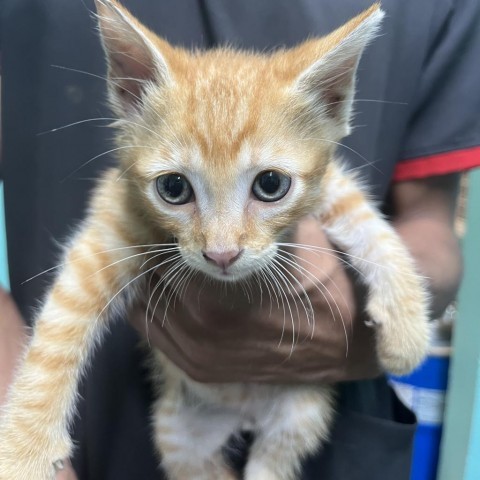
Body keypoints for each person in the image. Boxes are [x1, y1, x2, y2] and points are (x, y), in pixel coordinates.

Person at [1, 0, 479, 478]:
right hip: (124, 432)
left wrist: (399, 298)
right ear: (130, 95)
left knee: (293, 426)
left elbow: (406, 219)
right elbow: (74, 298)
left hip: (318, 414)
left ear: (333, 100)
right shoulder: (128, 196)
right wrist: (29, 429)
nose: (221, 246)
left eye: (269, 185)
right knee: (182, 445)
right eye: (175, 187)